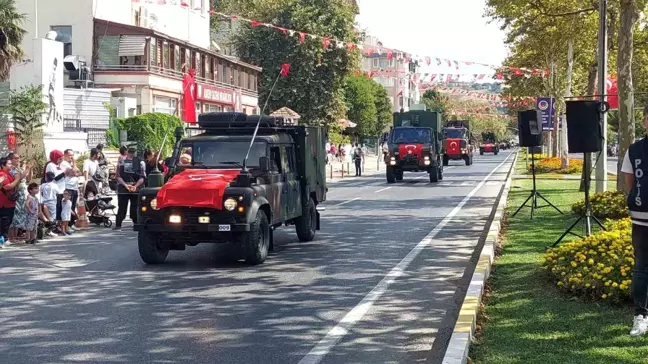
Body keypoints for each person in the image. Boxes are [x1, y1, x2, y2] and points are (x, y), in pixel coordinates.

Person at [622, 105, 648, 337]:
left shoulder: (634, 149)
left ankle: (641, 317)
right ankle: (641, 315)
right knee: (641, 269)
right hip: (642, 220)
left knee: (642, 268)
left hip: (641, 217)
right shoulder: (633, 150)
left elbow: (630, 183)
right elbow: (631, 182)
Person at [114, 147, 145, 231]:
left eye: (132, 153)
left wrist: (134, 186)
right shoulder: (122, 163)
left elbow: (141, 178)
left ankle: (135, 224)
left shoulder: (139, 164)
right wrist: (127, 185)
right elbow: (118, 177)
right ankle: (119, 224)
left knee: (134, 207)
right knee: (123, 207)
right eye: (131, 153)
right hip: (126, 188)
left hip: (131, 188)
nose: (132, 155)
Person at [8, 152, 33, 243]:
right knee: (16, 214)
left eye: (19, 158)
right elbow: (18, 179)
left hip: (23, 193)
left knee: (21, 214)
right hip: (17, 193)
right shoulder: (11, 169)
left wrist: (29, 169)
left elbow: (29, 179)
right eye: (16, 158)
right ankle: (12, 237)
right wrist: (26, 169)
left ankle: (17, 235)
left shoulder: (19, 169)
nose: (18, 160)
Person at [0, 157, 19, 247]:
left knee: (8, 220)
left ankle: (5, 238)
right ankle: (4, 238)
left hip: (10, 202)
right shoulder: (2, 174)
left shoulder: (9, 174)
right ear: (3, 165)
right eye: (9, 164)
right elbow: (8, 186)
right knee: (5, 221)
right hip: (4, 203)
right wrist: (17, 179)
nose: (11, 165)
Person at [61, 149, 80, 232]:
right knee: (68, 208)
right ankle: (66, 226)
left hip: (75, 187)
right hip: (68, 187)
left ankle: (71, 223)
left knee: (73, 207)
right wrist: (74, 169)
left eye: (72, 155)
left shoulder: (71, 164)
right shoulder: (64, 164)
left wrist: (75, 171)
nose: (71, 157)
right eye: (69, 155)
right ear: (65, 155)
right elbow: (72, 172)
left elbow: (79, 172)